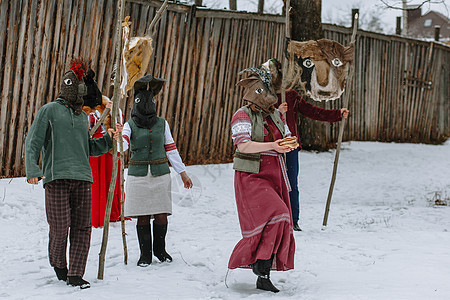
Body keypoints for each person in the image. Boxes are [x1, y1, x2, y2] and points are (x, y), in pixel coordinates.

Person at [25, 60, 121, 289]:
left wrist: (109, 140)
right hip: (56, 177)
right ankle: (59, 264)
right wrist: (33, 170)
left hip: (83, 178)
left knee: (82, 228)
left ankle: (76, 273)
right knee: (60, 226)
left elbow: (89, 148)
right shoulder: (49, 110)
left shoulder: (81, 118)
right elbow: (33, 141)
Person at [228, 74, 296, 293]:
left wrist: (286, 146)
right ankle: (259, 264)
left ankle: (263, 271)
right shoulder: (242, 115)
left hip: (275, 173)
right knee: (277, 214)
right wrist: (273, 146)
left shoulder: (277, 115)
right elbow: (243, 146)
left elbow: (285, 138)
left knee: (281, 219)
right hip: (251, 175)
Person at [121, 74, 193, 267]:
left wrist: (182, 172)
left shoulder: (162, 123)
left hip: (160, 174)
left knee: (161, 214)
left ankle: (160, 250)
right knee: (142, 215)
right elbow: (123, 145)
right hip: (138, 176)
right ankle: (145, 254)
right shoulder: (130, 125)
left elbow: (170, 147)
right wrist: (117, 137)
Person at [277, 90, 349, 231]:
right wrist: (277, 112)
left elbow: (312, 111)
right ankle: (274, 221)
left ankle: (292, 220)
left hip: (290, 146)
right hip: (269, 145)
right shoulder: (264, 93)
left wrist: (337, 114)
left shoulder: (290, 95)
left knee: (291, 183)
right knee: (272, 184)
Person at [82, 69, 122, 228]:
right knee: (90, 184)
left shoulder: (107, 105)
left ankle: (107, 212)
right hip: (88, 149)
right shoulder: (77, 109)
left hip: (105, 148)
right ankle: (92, 215)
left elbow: (116, 124)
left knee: (105, 181)